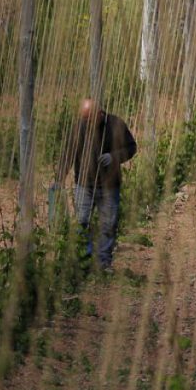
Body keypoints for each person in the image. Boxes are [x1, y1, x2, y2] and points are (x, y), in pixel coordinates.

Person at [53, 99, 137, 272]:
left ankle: (103, 262)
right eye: (85, 120)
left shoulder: (116, 125)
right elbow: (68, 153)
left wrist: (114, 157)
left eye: (90, 120)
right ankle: (85, 260)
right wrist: (59, 178)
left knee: (108, 224)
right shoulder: (78, 128)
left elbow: (131, 147)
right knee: (82, 221)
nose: (87, 124)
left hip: (109, 185)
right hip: (84, 185)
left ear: (100, 114)